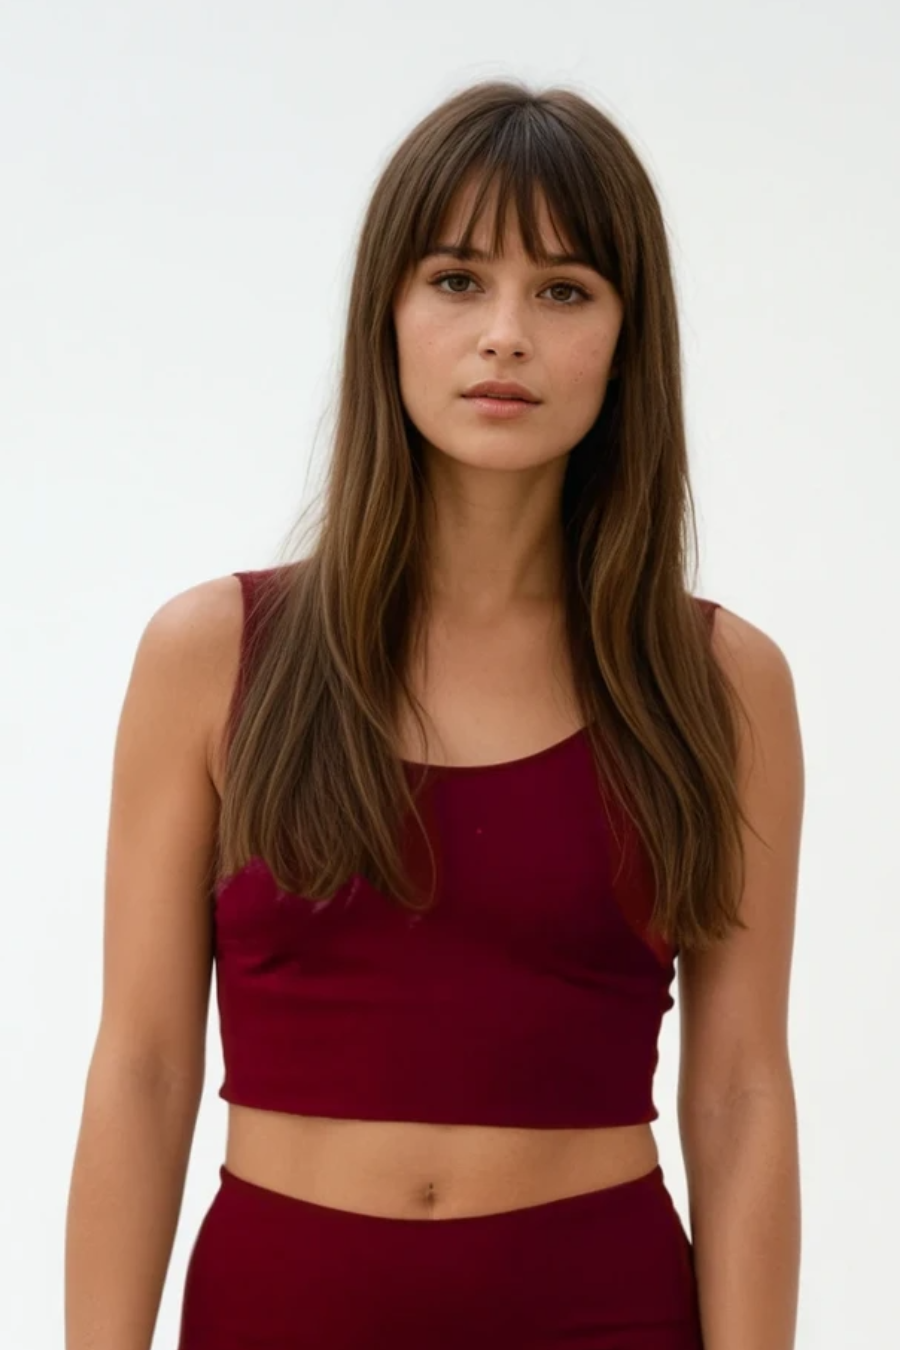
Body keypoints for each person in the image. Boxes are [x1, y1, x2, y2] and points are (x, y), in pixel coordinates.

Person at [64, 78, 803, 1350]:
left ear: (627, 339)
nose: (505, 334)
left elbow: (740, 1093)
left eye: (564, 290)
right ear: (388, 314)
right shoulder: (214, 655)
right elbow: (142, 1069)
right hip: (278, 1314)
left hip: (604, 1315)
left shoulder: (719, 681)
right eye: (458, 279)